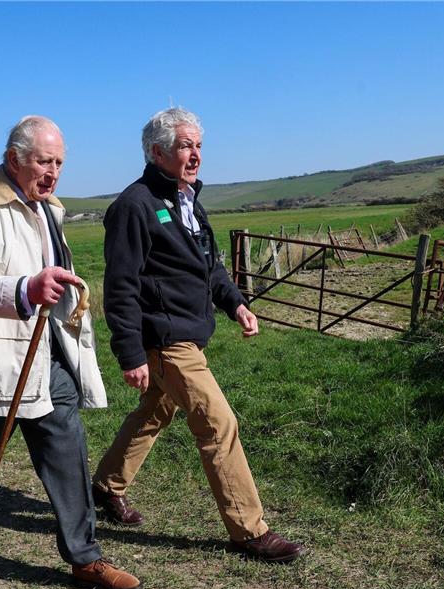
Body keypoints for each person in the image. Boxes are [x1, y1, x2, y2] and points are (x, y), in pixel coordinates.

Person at [91, 108, 307, 563]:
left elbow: (209, 265)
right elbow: (121, 285)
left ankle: (106, 486)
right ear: (157, 152)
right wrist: (130, 353)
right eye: (185, 146)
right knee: (218, 421)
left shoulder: (187, 198)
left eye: (199, 146)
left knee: (154, 412)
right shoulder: (135, 206)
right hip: (166, 338)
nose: (195, 156)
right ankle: (249, 530)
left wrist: (236, 303)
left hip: (190, 331)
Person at [0, 115, 143, 589]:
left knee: (67, 452)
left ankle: (85, 558)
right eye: (43, 161)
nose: (53, 172)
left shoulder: (48, 206)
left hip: (47, 354)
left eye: (59, 163)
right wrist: (26, 287)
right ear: (14, 159)